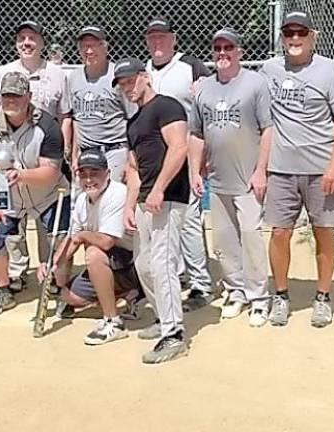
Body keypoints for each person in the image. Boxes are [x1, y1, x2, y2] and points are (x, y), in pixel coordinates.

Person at [260, 10, 334, 328]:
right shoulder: (269, 69)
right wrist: (205, 82)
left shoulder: (329, 70)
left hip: (320, 169)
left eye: (301, 33)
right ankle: (282, 295)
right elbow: (247, 94)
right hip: (281, 168)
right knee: (280, 232)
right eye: (289, 33)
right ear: (282, 37)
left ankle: (323, 297)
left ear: (313, 36)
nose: (295, 39)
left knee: (323, 231)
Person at [189, 28, 273, 326]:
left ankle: (260, 298)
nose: (222, 52)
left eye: (228, 47)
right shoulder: (204, 89)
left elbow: (267, 129)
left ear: (239, 51)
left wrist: (261, 170)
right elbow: (196, 133)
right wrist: (195, 171)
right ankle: (236, 290)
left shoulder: (255, 84)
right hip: (217, 177)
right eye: (217, 48)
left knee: (250, 235)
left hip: (248, 177)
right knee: (224, 240)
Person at [0, 72, 70, 316]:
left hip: (48, 193)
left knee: (59, 238)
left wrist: (22, 175)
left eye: (17, 95)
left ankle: (60, 287)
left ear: (29, 96)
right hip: (9, 198)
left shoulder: (47, 126)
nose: (11, 100)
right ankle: (3, 290)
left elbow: (51, 170)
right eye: (6, 95)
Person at [115, 58, 189, 364]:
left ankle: (174, 334)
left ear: (145, 77)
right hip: (146, 199)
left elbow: (179, 147)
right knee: (144, 263)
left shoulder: (167, 106)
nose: (127, 88)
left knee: (162, 263)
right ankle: (162, 316)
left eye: (131, 80)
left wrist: (159, 188)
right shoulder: (133, 122)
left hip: (169, 196)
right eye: (121, 84)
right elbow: (133, 168)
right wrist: (129, 205)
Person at [0, 20, 72, 293]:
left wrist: (64, 152)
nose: (27, 43)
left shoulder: (57, 74)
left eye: (32, 38)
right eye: (21, 38)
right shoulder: (3, 73)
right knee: (12, 217)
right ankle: (16, 273)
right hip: (10, 153)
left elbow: (65, 116)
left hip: (45, 151)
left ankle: (49, 272)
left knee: (48, 216)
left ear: (42, 43)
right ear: (16, 43)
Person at [145, 17, 213, 311]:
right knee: (164, 222)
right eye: (152, 37)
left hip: (185, 157)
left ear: (174, 38)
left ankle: (201, 285)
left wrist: (203, 157)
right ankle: (180, 274)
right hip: (156, 162)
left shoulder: (191, 67)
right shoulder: (142, 71)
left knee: (189, 222)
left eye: (162, 36)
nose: (157, 42)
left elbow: (208, 110)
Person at [47, 149, 141, 345]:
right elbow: (71, 241)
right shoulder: (82, 200)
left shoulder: (117, 194)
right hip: (114, 263)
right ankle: (125, 293)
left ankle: (113, 321)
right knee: (68, 296)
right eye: (83, 174)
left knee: (93, 253)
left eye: (94, 173)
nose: (88, 179)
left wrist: (82, 235)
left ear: (107, 174)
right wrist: (52, 266)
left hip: (135, 263)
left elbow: (107, 241)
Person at [68, 25, 137, 180]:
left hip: (114, 151)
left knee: (113, 199)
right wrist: (74, 155)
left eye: (94, 45)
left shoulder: (118, 75)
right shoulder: (74, 77)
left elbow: (134, 118)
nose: (89, 51)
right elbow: (76, 120)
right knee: (84, 201)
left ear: (105, 47)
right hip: (84, 153)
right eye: (84, 46)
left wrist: (130, 158)